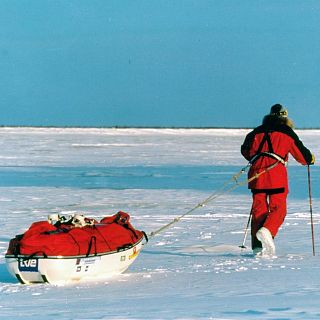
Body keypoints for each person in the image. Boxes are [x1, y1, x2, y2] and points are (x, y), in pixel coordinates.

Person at [241, 104, 314, 255]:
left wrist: (258, 159)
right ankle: (267, 231)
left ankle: (257, 248)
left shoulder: (256, 132)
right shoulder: (287, 133)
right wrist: (310, 159)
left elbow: (245, 150)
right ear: (285, 117)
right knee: (278, 209)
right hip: (276, 176)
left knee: (258, 209)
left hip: (257, 175)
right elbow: (303, 156)